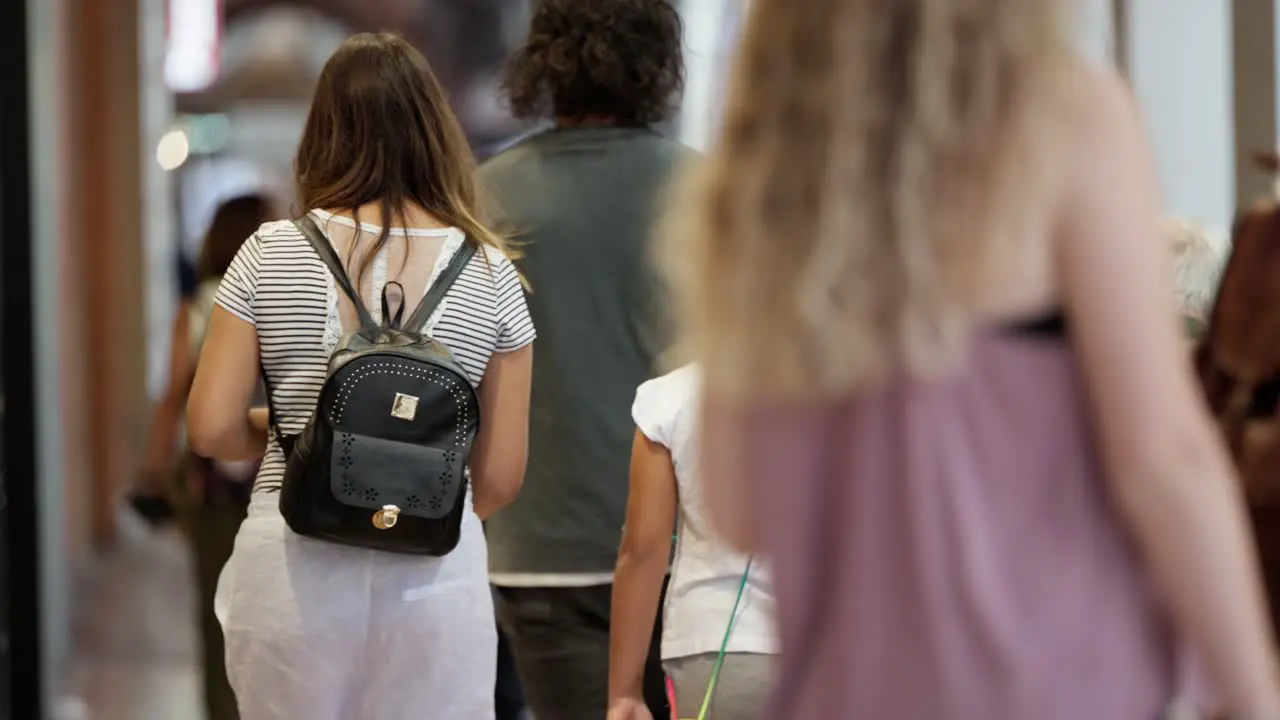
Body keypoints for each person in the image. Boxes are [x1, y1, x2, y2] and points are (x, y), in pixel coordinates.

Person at [661, 0, 1280, 717]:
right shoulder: (1065, 115)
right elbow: (1162, 459)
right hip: (1057, 682)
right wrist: (1252, 692)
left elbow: (743, 508)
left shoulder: (772, 162)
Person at [186, 33, 535, 719]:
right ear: (436, 134)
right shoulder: (493, 273)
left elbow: (209, 428)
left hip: (292, 570)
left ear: (323, 135)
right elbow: (498, 478)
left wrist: (293, 431)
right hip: (435, 578)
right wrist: (406, 492)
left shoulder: (268, 251)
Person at [479, 1, 687, 718]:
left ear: (543, 63)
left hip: (540, 540)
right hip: (686, 541)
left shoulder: (487, 200)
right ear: (656, 63)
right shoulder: (707, 192)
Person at [138, 193, 271, 720]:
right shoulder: (284, 300)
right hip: (277, 479)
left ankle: (223, 710)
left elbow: (174, 395)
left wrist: (153, 466)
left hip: (211, 484)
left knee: (218, 613)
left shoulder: (196, 307)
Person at [608, 365, 776, 720]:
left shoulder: (673, 398)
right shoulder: (871, 390)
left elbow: (643, 550)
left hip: (720, 650)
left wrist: (625, 692)